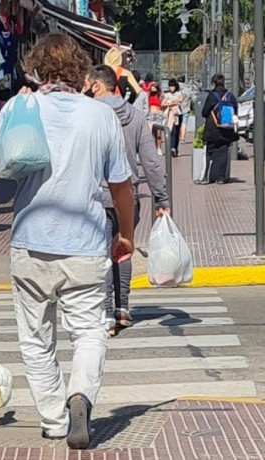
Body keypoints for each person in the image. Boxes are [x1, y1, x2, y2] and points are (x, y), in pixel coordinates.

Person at [0, 34, 135, 450]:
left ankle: (53, 420)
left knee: (35, 337)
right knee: (88, 332)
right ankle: (80, 396)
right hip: (85, 243)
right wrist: (126, 234)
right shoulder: (100, 115)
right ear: (81, 72)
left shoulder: (20, 107)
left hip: (30, 242)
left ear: (35, 68)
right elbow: (121, 186)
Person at [82, 64, 170, 336]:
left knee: (103, 253)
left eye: (87, 83)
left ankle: (106, 315)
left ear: (98, 85)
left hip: (97, 195)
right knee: (124, 249)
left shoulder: (89, 114)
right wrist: (161, 197)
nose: (83, 88)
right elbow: (152, 161)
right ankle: (123, 309)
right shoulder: (134, 115)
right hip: (128, 195)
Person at [199, 73, 239, 184]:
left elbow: (204, 113)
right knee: (223, 152)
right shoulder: (230, 96)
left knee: (209, 152)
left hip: (213, 130)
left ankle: (207, 177)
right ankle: (221, 177)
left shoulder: (212, 96)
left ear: (214, 83)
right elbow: (235, 111)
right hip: (227, 130)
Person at [163, 79, 183, 156]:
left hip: (178, 114)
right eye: (170, 86)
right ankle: (171, 147)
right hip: (170, 114)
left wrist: (172, 101)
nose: (171, 88)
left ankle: (175, 148)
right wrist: (170, 104)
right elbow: (162, 103)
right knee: (171, 130)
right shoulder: (167, 94)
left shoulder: (179, 93)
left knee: (177, 131)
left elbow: (181, 100)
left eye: (172, 86)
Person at [145, 82, 166, 151]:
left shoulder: (159, 95)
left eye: (154, 87)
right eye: (152, 87)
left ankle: (159, 148)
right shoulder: (148, 95)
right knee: (152, 133)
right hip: (151, 114)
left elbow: (164, 100)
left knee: (159, 134)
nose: (153, 88)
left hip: (158, 114)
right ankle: (153, 148)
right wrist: (150, 85)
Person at [178, 76, 194, 144]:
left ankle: (177, 137)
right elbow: (192, 99)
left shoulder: (176, 88)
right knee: (184, 123)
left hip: (177, 108)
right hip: (186, 108)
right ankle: (182, 138)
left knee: (177, 124)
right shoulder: (188, 89)